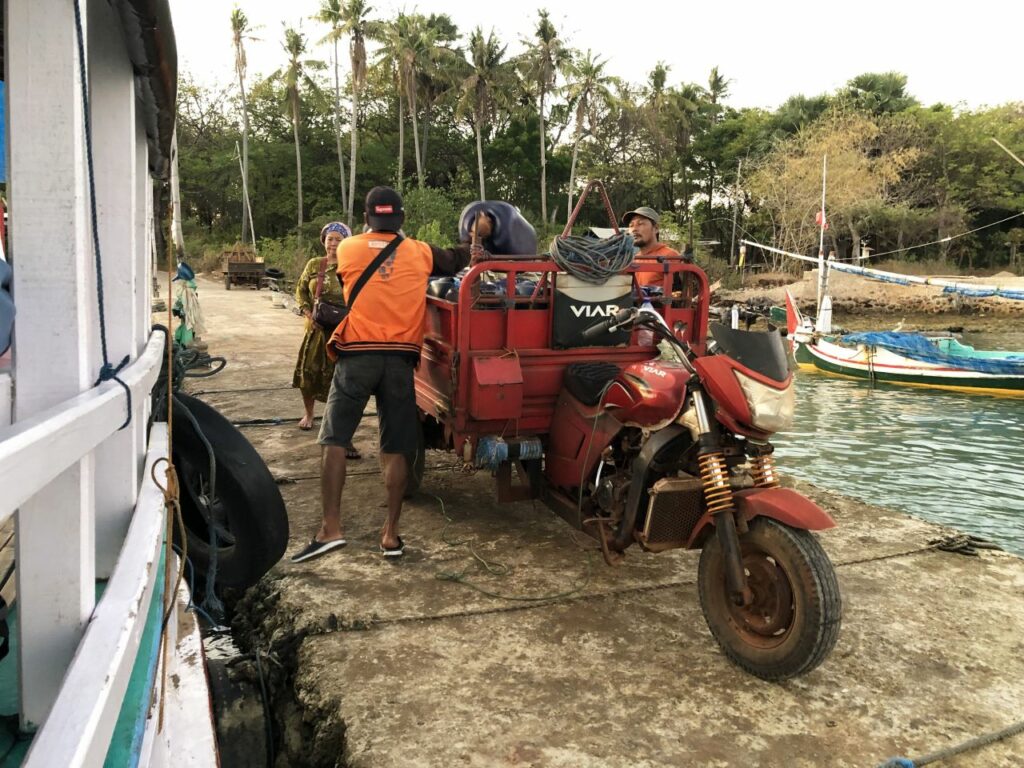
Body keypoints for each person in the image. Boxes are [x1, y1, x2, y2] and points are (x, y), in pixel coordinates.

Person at [290, 187, 489, 563]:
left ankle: (331, 528)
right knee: (395, 445)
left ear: (365, 219)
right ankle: (391, 535)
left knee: (334, 439)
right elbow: (457, 258)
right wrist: (472, 245)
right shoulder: (420, 251)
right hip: (400, 360)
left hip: (355, 356)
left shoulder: (347, 250)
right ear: (401, 219)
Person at [291, 222, 361, 459]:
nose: (333, 244)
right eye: (330, 239)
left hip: (343, 332)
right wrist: (307, 312)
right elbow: (300, 290)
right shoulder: (314, 265)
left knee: (342, 383)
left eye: (339, 240)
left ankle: (344, 435)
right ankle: (309, 414)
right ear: (324, 241)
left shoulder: (352, 267)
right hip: (316, 330)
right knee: (307, 373)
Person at [621, 206, 679, 289]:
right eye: (631, 225)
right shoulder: (634, 259)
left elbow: (683, 292)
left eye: (640, 224)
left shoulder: (670, 256)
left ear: (656, 228)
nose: (634, 229)